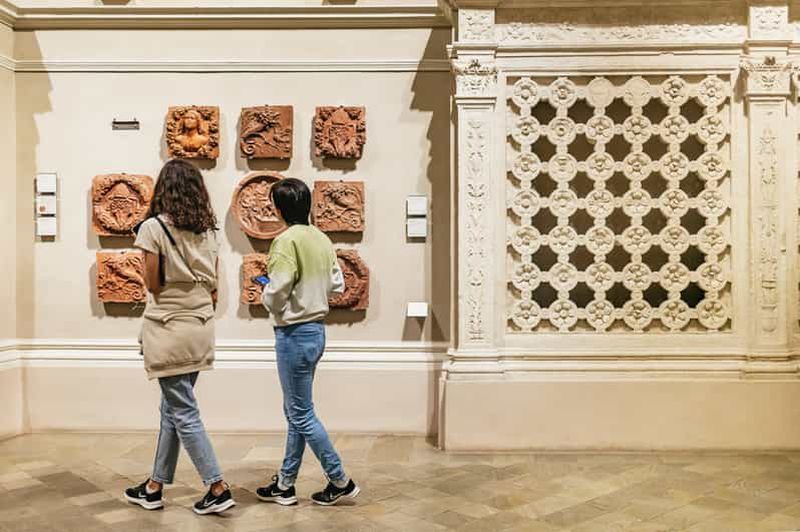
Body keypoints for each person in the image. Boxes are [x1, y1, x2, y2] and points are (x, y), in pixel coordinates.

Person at [124, 159, 236, 515]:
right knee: (172, 408)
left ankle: (216, 486)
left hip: (169, 326)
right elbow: (215, 286)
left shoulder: (153, 228)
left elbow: (153, 283)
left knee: (183, 411)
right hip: (201, 325)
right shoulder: (210, 231)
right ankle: (155, 485)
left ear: (163, 190)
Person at [257, 178, 360, 507]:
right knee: (295, 411)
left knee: (300, 414)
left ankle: (339, 478)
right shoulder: (320, 237)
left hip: (293, 333)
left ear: (279, 207)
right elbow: (337, 284)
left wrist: (267, 295)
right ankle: (286, 484)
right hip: (316, 331)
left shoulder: (285, 241)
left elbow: (280, 285)